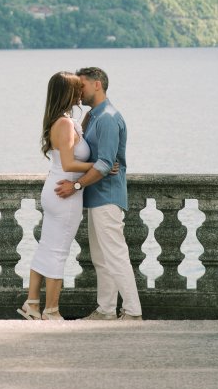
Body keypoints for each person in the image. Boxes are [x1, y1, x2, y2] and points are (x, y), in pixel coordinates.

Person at [55, 66, 142, 322]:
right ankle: (106, 310)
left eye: (81, 86)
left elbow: (105, 164)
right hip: (96, 197)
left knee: (115, 256)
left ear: (97, 84)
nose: (78, 91)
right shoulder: (94, 116)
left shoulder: (107, 118)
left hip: (107, 196)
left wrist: (76, 186)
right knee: (101, 258)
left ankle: (133, 312)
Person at [19, 72, 93, 321]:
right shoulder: (64, 124)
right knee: (58, 251)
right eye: (77, 88)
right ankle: (51, 311)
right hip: (65, 192)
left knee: (47, 247)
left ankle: (32, 304)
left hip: (56, 188)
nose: (81, 92)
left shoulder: (62, 121)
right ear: (68, 93)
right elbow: (70, 163)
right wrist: (100, 166)